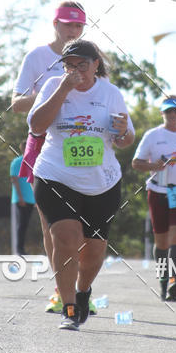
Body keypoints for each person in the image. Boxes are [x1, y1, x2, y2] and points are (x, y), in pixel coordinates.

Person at [28, 40, 135, 330]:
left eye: (82, 65)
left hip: (101, 182)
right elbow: (36, 126)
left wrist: (123, 132)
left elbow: (126, 141)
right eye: (69, 65)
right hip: (56, 176)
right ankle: (69, 306)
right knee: (65, 236)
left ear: (96, 65)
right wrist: (63, 89)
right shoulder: (53, 86)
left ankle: (83, 290)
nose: (76, 71)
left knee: (93, 253)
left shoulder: (110, 93)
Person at [11, 1, 86, 312]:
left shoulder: (88, 57)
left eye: (78, 26)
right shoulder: (38, 57)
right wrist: (51, 97)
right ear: (55, 24)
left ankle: (77, 287)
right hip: (44, 142)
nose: (72, 30)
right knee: (50, 225)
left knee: (80, 224)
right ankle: (61, 290)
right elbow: (15, 103)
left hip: (80, 143)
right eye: (67, 24)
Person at [132, 96, 176, 302]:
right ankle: (164, 281)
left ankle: (174, 280)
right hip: (158, 192)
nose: (172, 115)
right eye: (168, 111)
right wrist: (155, 166)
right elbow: (137, 163)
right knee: (161, 242)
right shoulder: (152, 135)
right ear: (162, 113)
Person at [9, 143, 35, 255]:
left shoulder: (33, 161)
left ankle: (23, 248)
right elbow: (14, 180)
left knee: (26, 224)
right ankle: (19, 249)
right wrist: (20, 197)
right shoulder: (17, 162)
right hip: (21, 200)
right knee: (21, 225)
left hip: (32, 199)